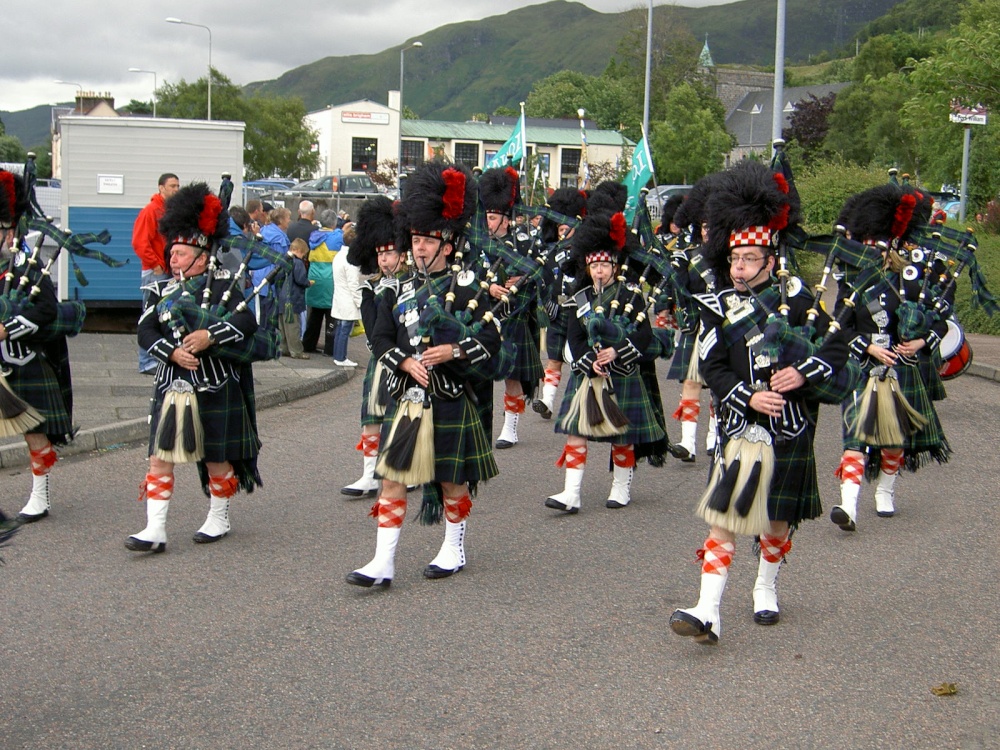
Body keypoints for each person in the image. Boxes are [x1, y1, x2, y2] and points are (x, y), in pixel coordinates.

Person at [669, 161, 849, 644]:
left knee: (776, 521)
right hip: (740, 428)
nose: (740, 268)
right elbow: (712, 366)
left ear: (770, 258)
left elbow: (834, 351)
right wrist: (747, 395)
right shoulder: (720, 305)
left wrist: (800, 374)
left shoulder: (802, 300)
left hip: (789, 429)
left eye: (749, 259)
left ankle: (765, 586)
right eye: (734, 259)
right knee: (723, 518)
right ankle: (708, 610)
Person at [347, 161, 501, 588]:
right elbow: (378, 338)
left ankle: (454, 546)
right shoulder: (397, 289)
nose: (417, 248)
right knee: (392, 480)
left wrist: (452, 349)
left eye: (426, 240)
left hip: (450, 396)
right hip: (409, 398)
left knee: (452, 482)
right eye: (414, 239)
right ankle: (383, 562)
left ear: (447, 245)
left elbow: (491, 342)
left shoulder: (469, 288)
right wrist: (402, 360)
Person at [126, 182, 262, 553]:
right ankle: (155, 528)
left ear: (202, 257)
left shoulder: (224, 287)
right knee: (159, 456)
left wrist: (209, 337)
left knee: (216, 456)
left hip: (214, 385)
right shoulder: (161, 289)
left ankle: (219, 515)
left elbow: (247, 322)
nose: (173, 259)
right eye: (172, 252)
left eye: (182, 253)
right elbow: (145, 330)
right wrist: (171, 352)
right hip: (172, 385)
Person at [829, 185, 950, 531]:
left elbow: (940, 321)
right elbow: (838, 327)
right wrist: (866, 346)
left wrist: (921, 342)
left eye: (876, 244)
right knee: (855, 438)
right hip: (862, 367)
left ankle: (885, 489)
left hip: (899, 369)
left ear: (892, 245)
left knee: (894, 442)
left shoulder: (912, 281)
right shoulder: (853, 285)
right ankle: (847, 505)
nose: (870, 251)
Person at [544, 210, 666, 513]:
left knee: (621, 435)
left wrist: (616, 352)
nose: (599, 271)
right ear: (588, 265)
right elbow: (574, 337)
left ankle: (621, 487)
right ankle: (571, 493)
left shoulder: (631, 295)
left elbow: (644, 336)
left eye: (604, 265)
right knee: (576, 430)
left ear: (615, 265)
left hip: (622, 372)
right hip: (590, 374)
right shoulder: (580, 296)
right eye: (595, 265)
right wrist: (589, 361)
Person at [0, 170, 78, 524]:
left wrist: (7, 329)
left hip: (20, 360)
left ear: (9, 230)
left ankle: (39, 494)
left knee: (34, 432)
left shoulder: (26, 265)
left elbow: (46, 309)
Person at [341, 195, 408, 497]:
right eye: (379, 254)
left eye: (390, 253)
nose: (383, 259)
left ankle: (405, 469)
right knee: (371, 414)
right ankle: (369, 473)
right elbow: (371, 327)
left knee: (404, 417)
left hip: (403, 359)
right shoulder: (373, 287)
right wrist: (371, 292)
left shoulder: (412, 285)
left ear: (403, 254)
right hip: (378, 360)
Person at [478, 166, 544, 449]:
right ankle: (479, 423)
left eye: (492, 217)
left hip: (514, 315)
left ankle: (510, 427)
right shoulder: (479, 244)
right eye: (486, 216)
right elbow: (468, 274)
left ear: (506, 218)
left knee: (511, 375)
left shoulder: (524, 243)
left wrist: (524, 280)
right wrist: (489, 286)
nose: (487, 222)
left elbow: (543, 274)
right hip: (483, 315)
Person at [667, 174, 721, 462]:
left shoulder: (730, 258)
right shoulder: (689, 257)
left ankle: (716, 435)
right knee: (691, 383)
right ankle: (688, 442)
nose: (707, 232)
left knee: (719, 386)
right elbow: (680, 291)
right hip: (697, 326)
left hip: (724, 327)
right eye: (703, 226)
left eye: (712, 226)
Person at [532, 187, 589, 419]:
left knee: (577, 358)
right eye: (561, 229)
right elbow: (542, 282)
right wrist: (546, 303)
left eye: (568, 229)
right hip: (558, 309)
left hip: (579, 309)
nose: (564, 234)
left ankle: (578, 401)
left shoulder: (585, 253)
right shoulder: (549, 253)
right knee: (554, 357)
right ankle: (547, 400)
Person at [133, 172, 180, 374]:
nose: (176, 190)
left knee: (161, 315)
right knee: (150, 316)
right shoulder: (151, 211)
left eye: (178, 186)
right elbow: (139, 242)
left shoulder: (167, 211)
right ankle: (146, 362)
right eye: (172, 186)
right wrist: (155, 265)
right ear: (161, 188)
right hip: (157, 273)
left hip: (164, 271)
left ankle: (154, 359)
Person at [303, 209, 343, 355]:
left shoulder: (314, 236)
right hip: (330, 280)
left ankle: (308, 344)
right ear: (334, 223)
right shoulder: (337, 237)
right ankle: (330, 348)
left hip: (314, 278)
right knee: (332, 315)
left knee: (314, 315)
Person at [330, 224, 363, 367]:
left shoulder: (338, 255)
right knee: (344, 330)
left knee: (340, 329)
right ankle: (341, 357)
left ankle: (338, 355)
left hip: (339, 297)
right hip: (348, 300)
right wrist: (360, 302)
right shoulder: (350, 261)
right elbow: (354, 285)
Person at [278, 238, 311, 359]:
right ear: (298, 250)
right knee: (293, 326)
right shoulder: (298, 263)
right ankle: (296, 351)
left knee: (283, 326)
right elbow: (300, 279)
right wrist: (308, 283)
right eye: (303, 253)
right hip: (293, 298)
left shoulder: (284, 260)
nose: (303, 256)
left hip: (282, 297)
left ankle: (283, 347)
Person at [22, 152, 49, 220]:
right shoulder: (32, 165)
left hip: (28, 187)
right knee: (33, 202)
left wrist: (26, 188)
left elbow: (27, 177)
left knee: (29, 201)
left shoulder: (29, 165)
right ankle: (39, 214)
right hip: (30, 186)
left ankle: (36, 215)